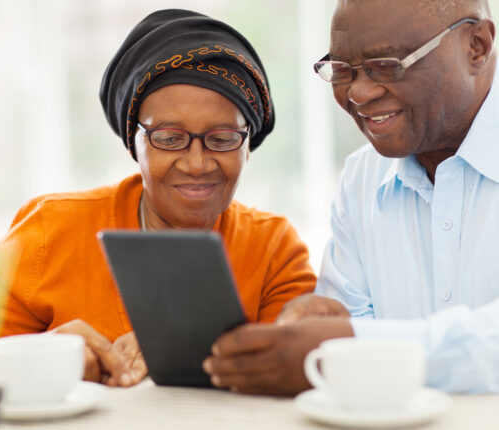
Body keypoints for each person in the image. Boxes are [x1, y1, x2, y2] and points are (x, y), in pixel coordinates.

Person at [0, 9, 316, 388]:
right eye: (169, 138)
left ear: (248, 146)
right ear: (134, 143)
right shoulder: (49, 231)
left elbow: (293, 378)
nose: (196, 164)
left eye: (222, 139)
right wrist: (49, 358)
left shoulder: (274, 250)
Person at [203, 0, 499, 395]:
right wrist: (320, 326)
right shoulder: (363, 177)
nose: (358, 92)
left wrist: (351, 340)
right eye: (342, 70)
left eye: (388, 64)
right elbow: (345, 333)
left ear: (476, 46)